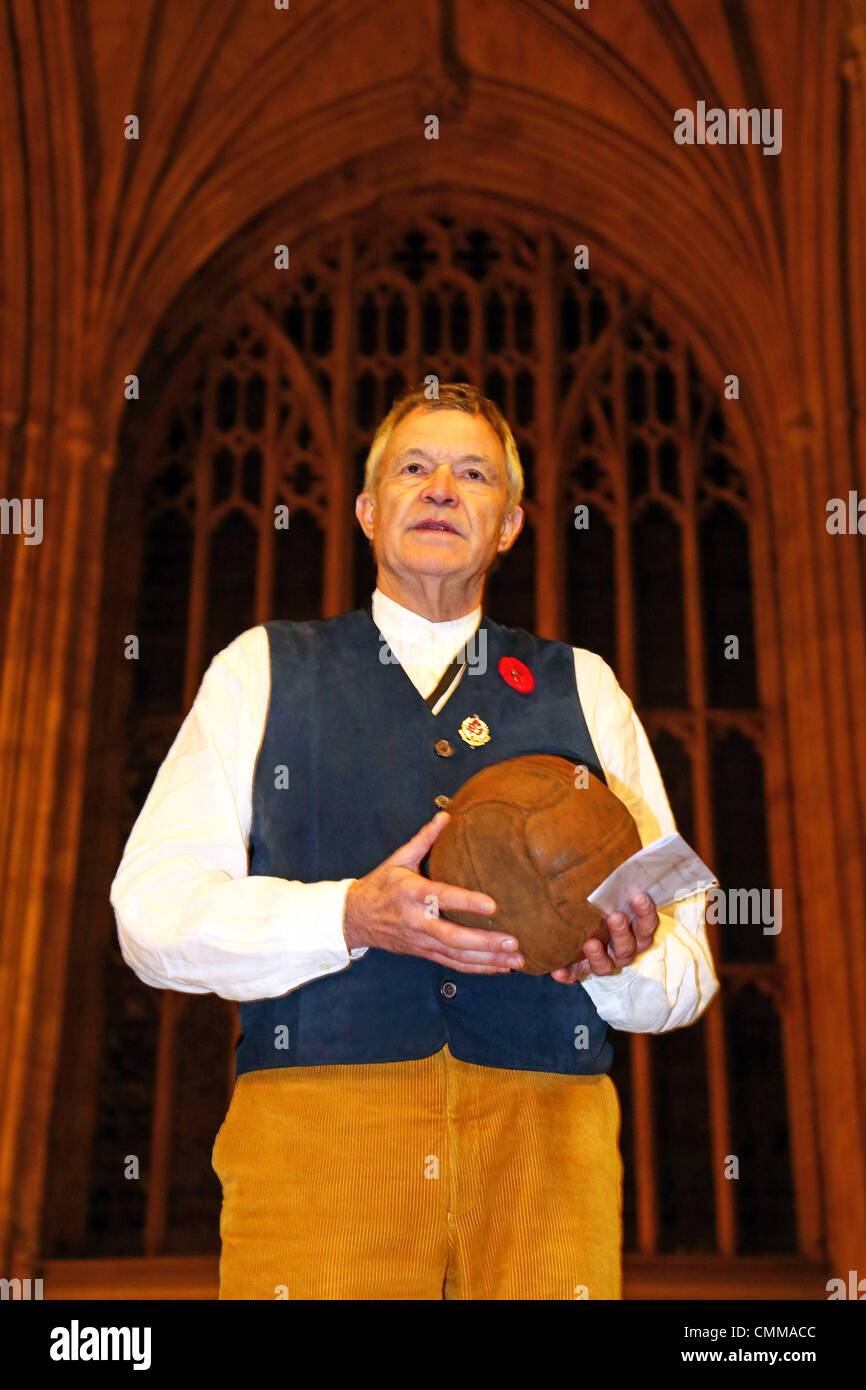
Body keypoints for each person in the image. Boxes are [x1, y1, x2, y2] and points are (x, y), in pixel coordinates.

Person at [111, 381, 719, 1300]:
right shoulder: (263, 667)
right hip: (320, 1137)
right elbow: (148, 913)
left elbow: (689, 966)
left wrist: (619, 959)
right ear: (366, 509)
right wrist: (347, 916)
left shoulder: (584, 686)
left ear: (509, 524)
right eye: (414, 468)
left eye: (473, 474)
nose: (442, 487)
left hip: (547, 1143)